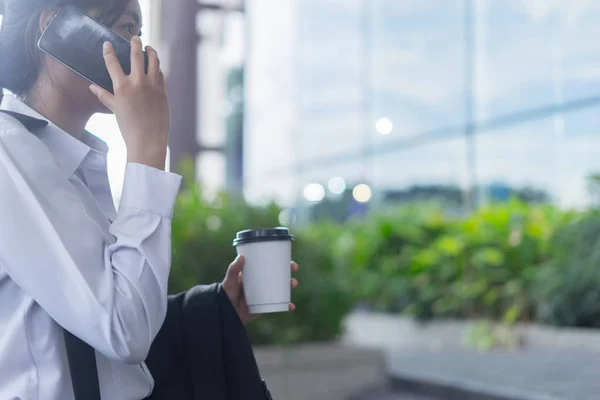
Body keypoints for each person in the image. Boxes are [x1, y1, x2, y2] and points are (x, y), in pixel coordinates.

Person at [0, 0, 299, 399]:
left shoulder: (72, 161)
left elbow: (99, 322)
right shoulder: (9, 151)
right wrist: (148, 146)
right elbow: (125, 329)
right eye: (126, 29)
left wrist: (213, 310)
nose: (140, 51)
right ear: (55, 24)